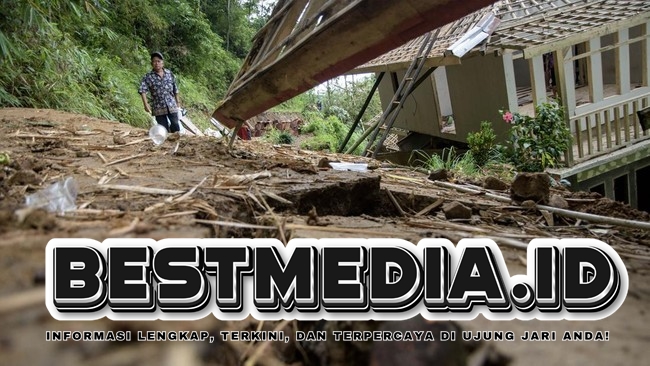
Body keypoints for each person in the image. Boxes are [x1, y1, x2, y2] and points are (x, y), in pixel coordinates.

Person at [139, 52, 181, 133]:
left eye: (158, 61)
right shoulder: (148, 76)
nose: (157, 63)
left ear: (162, 63)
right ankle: (167, 142)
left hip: (171, 105)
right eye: (154, 61)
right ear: (151, 63)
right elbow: (142, 90)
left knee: (175, 124)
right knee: (163, 128)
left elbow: (175, 89)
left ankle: (176, 140)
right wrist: (146, 104)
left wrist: (178, 103)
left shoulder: (169, 74)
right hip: (158, 107)